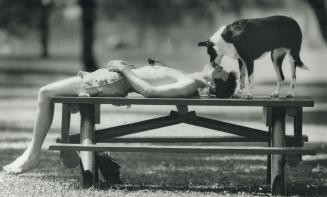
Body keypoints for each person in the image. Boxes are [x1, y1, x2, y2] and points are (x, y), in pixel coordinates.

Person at [3, 59, 237, 174]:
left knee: (45, 93)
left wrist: (124, 71)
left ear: (213, 84)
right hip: (113, 81)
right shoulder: (189, 80)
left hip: (112, 81)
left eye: (219, 71)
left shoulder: (187, 83)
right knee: (56, 94)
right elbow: (179, 103)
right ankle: (67, 141)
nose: (216, 65)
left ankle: (32, 154)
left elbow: (150, 91)